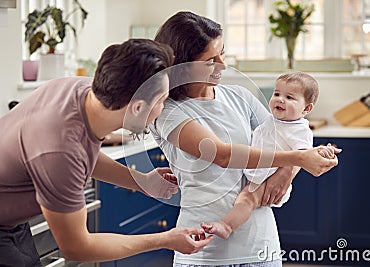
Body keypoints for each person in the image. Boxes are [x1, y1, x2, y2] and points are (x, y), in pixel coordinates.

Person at [150, 11, 340, 267]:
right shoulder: (167, 111)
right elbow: (221, 154)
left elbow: (288, 134)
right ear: (182, 65)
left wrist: (288, 170)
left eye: (222, 54)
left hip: (261, 246)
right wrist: (298, 159)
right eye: (210, 61)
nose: (223, 66)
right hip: (204, 252)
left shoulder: (239, 97)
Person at [0, 39, 212, 267]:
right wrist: (165, 239)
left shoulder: (82, 92)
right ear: (138, 107)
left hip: (10, 222)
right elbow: (77, 246)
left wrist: (143, 181)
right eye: (162, 101)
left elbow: (82, 153)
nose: (163, 108)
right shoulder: (58, 150)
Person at [200, 71, 337, 239]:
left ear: (306, 108)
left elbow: (304, 155)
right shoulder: (274, 120)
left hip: (269, 179)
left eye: (290, 98)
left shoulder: (299, 129)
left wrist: (321, 151)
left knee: (247, 199)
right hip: (259, 172)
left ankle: (226, 226)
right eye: (277, 93)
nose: (280, 99)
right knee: (245, 198)